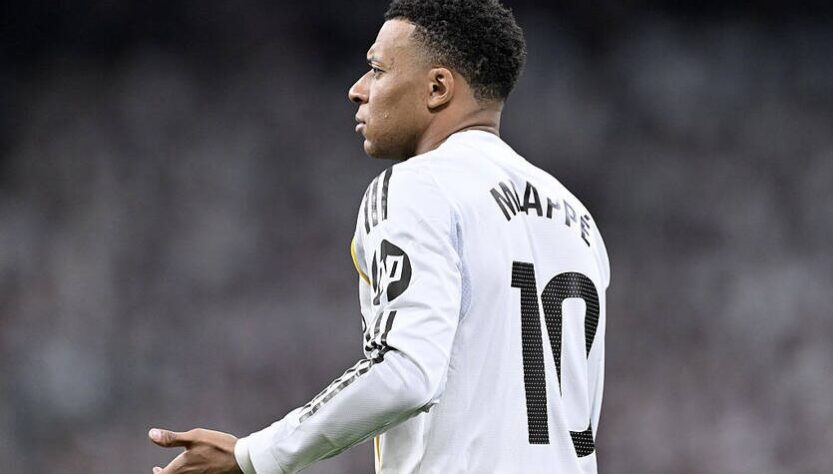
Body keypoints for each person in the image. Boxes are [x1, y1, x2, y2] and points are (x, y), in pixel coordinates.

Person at [148, 0, 610, 473]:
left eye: (377, 70)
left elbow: (408, 371)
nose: (358, 90)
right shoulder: (577, 219)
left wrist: (255, 455)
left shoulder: (418, 185)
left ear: (437, 88)